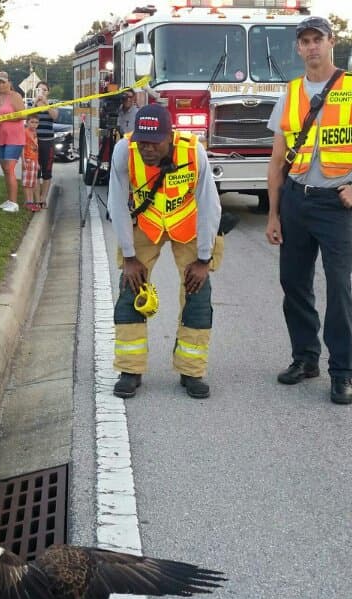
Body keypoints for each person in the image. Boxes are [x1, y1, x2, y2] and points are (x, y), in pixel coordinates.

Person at [264, 16, 352, 405]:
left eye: (317, 39)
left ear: (331, 42)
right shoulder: (290, 94)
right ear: (298, 47)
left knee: (338, 290)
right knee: (294, 285)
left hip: (333, 204)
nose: (311, 47)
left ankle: (342, 373)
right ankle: (305, 359)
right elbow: (276, 161)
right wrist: (273, 214)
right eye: (304, 41)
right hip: (295, 199)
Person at [108, 104, 221, 400]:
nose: (146, 148)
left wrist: (204, 260)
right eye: (141, 140)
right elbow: (117, 204)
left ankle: (191, 371)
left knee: (198, 295)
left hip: (188, 222)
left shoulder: (193, 152)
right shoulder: (124, 150)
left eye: (153, 142)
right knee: (131, 291)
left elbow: (210, 205)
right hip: (147, 224)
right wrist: (130, 257)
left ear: (169, 136)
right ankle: (130, 369)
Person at [0, 71, 25, 213]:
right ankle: (9, 199)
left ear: (10, 83)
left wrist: (3, 119)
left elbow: (22, 115)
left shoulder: (15, 96)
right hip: (1, 138)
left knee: (10, 169)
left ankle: (14, 203)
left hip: (14, 138)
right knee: (5, 170)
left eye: (3, 82)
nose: (1, 85)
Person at [33, 81, 55, 209]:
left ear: (48, 92)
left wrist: (46, 103)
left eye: (44, 90)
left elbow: (55, 116)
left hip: (48, 142)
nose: (42, 92)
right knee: (35, 171)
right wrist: (36, 102)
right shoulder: (33, 104)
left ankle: (43, 198)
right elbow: (26, 116)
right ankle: (36, 199)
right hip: (34, 142)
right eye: (39, 90)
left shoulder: (51, 104)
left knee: (47, 171)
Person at [21, 115, 39, 211]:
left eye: (36, 122)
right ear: (27, 122)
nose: (34, 124)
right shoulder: (25, 132)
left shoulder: (35, 133)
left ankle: (30, 201)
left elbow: (36, 148)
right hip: (28, 160)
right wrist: (23, 161)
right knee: (27, 183)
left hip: (34, 160)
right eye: (32, 122)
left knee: (32, 183)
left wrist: (38, 162)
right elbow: (22, 147)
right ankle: (29, 202)